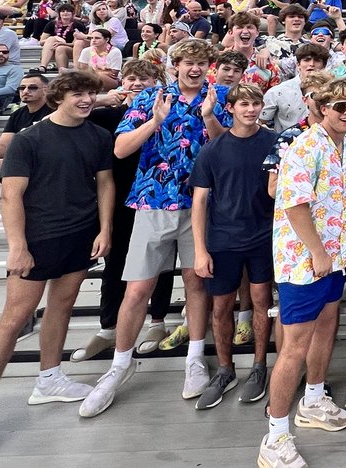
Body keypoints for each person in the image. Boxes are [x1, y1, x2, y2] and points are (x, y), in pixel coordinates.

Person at [0, 71, 113, 458]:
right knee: (13, 319)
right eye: (78, 94)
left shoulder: (97, 135)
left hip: (80, 234)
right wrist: (17, 247)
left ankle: (49, 379)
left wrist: (105, 229)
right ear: (59, 96)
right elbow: (11, 197)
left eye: (91, 94)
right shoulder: (29, 139)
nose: (86, 100)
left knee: (61, 306)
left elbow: (105, 183)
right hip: (37, 239)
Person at [79, 38, 232, 418]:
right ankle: (119, 365)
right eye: (187, 62)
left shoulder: (220, 97)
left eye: (201, 62)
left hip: (203, 205)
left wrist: (211, 116)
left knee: (196, 281)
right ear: (174, 64)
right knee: (138, 288)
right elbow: (120, 149)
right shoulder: (150, 99)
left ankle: (195, 358)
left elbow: (229, 148)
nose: (194, 69)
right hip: (153, 202)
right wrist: (156, 122)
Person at [259, 77, 346, 467]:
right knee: (294, 347)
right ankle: (275, 437)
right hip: (303, 261)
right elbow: (294, 205)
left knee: (327, 325)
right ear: (321, 108)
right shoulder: (303, 145)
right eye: (341, 107)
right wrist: (319, 252)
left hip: (335, 256)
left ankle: (315, 398)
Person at [73, 59, 176, 362]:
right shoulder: (107, 114)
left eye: (145, 79)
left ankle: (157, 321)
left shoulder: (167, 112)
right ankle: (108, 327)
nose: (137, 84)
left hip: (155, 196)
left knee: (161, 263)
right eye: (131, 78)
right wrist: (103, 97)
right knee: (115, 261)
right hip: (116, 198)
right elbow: (66, 112)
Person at [190, 83, 279, 409]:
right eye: (243, 104)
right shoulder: (213, 149)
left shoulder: (273, 142)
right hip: (223, 240)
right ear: (230, 109)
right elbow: (199, 201)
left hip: (263, 236)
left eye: (256, 103)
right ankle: (225, 369)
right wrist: (200, 250)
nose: (251, 109)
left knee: (260, 300)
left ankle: (259, 366)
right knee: (221, 306)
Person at [0, 71, 50, 215]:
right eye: (21, 88)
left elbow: (47, 148)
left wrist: (7, 162)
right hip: (20, 160)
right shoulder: (18, 114)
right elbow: (3, 146)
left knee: (5, 167)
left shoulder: (53, 112)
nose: (25, 91)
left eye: (32, 88)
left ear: (45, 90)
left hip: (45, 161)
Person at [261, 43, 331, 133]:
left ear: (324, 66)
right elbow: (261, 121)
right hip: (288, 143)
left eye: (317, 60)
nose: (311, 64)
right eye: (307, 60)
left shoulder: (332, 91)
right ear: (298, 64)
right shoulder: (278, 91)